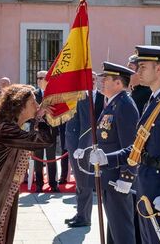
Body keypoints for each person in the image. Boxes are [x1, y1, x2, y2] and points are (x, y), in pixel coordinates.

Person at [90, 47, 160, 243]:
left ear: (159, 68)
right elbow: (136, 148)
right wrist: (107, 158)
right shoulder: (153, 100)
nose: (137, 72)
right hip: (146, 184)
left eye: (142, 66)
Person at [0, 84, 55, 244]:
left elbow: (35, 138)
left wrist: (38, 119)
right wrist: (40, 119)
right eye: (33, 102)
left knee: (0, 231)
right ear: (20, 105)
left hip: (6, 189)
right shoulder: (6, 129)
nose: (37, 105)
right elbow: (43, 140)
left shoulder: (12, 128)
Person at [93, 62, 140, 244]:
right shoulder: (112, 104)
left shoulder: (125, 105)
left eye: (106, 79)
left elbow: (131, 146)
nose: (101, 82)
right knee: (114, 228)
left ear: (119, 83)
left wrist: (126, 177)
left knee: (123, 230)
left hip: (118, 178)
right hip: (109, 175)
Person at [65, 72, 104, 228]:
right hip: (75, 142)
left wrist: (82, 147)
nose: (92, 82)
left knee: (83, 181)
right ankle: (81, 213)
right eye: (88, 80)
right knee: (80, 181)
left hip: (85, 144)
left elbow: (88, 125)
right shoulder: (78, 95)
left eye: (94, 79)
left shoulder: (98, 97)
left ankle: (84, 216)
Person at [33, 70, 60, 193]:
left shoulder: (55, 95)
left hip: (51, 130)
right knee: (38, 159)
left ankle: (53, 184)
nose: (39, 80)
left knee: (51, 158)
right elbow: (29, 114)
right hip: (37, 131)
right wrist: (40, 111)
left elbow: (59, 112)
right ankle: (39, 184)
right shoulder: (32, 95)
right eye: (38, 78)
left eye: (42, 78)